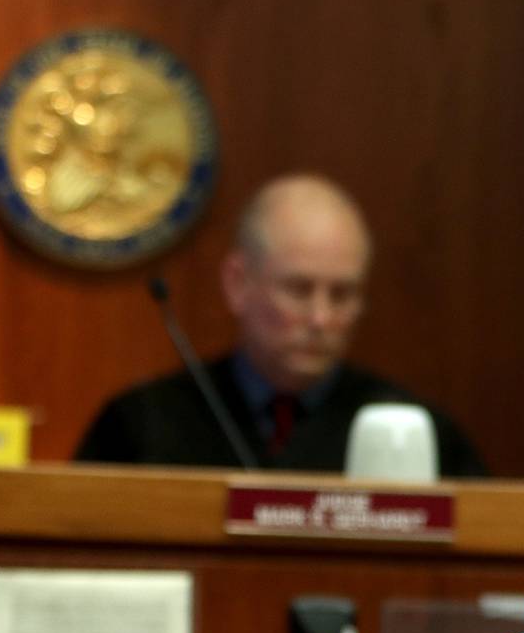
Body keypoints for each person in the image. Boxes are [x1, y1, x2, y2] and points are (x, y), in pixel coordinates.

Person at [76, 174, 488, 476]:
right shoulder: (142, 423)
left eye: (342, 295)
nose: (321, 318)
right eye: (298, 289)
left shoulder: (414, 431)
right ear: (238, 284)